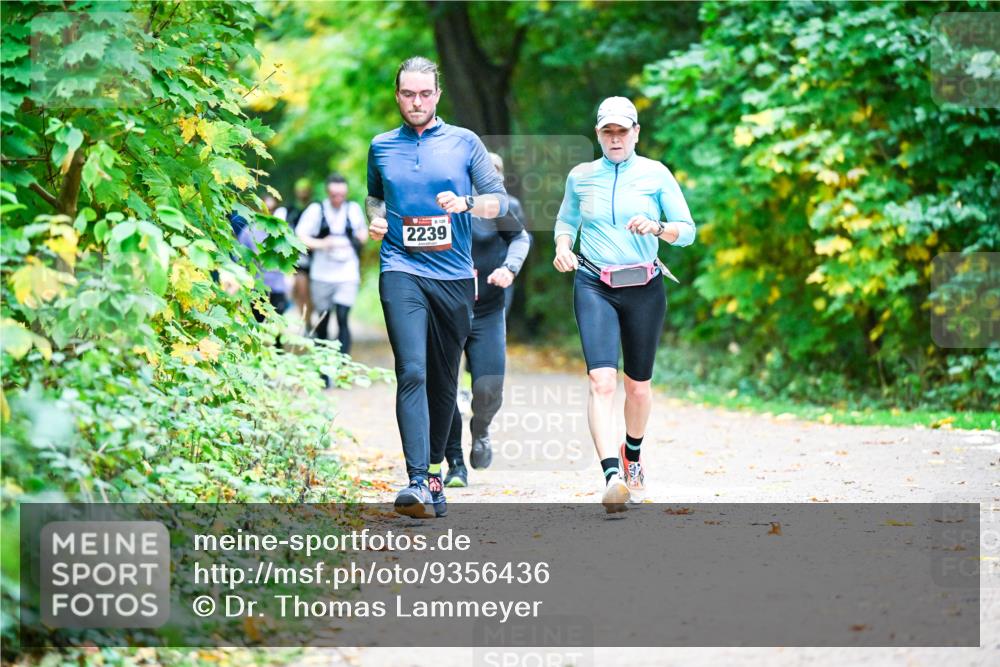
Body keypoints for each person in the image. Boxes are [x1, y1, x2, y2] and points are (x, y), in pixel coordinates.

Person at [367, 56, 509, 518]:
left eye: (425, 94)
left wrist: (466, 202)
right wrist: (375, 218)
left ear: (438, 95)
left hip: (453, 276)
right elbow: (375, 196)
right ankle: (415, 481)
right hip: (400, 267)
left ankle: (434, 473)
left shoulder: (465, 142)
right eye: (408, 94)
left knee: (444, 380)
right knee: (412, 369)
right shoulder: (381, 146)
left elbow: (498, 203)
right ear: (397, 95)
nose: (417, 102)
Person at [552, 96, 696, 513]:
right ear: (598, 135)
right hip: (594, 284)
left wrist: (658, 227)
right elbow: (566, 221)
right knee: (602, 381)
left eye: (622, 131)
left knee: (637, 387)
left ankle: (632, 453)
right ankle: (612, 476)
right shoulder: (581, 176)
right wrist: (563, 247)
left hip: (644, 287)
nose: (615, 138)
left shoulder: (656, 174)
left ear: (636, 133)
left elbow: (687, 231)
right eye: (607, 131)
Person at [443, 152, 531, 488]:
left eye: (492, 173)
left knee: (489, 388)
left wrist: (509, 269)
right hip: (447, 310)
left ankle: (480, 428)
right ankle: (454, 463)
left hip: (488, 310)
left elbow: (520, 239)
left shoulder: (503, 208)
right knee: (444, 388)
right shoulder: (447, 205)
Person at [295, 174, 367, 359]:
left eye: (342, 195)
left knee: (343, 317)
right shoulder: (316, 210)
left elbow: (363, 233)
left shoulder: (353, 209)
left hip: (347, 273)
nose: (338, 199)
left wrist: (361, 238)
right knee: (323, 320)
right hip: (322, 274)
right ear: (328, 192)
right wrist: (323, 244)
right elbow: (299, 236)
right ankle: (324, 364)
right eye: (334, 195)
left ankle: (343, 363)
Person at [276, 178, 315, 326]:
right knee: (294, 293)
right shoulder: (286, 211)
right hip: (290, 260)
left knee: (305, 294)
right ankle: (299, 323)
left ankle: (307, 323)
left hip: (309, 259)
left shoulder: (315, 210)